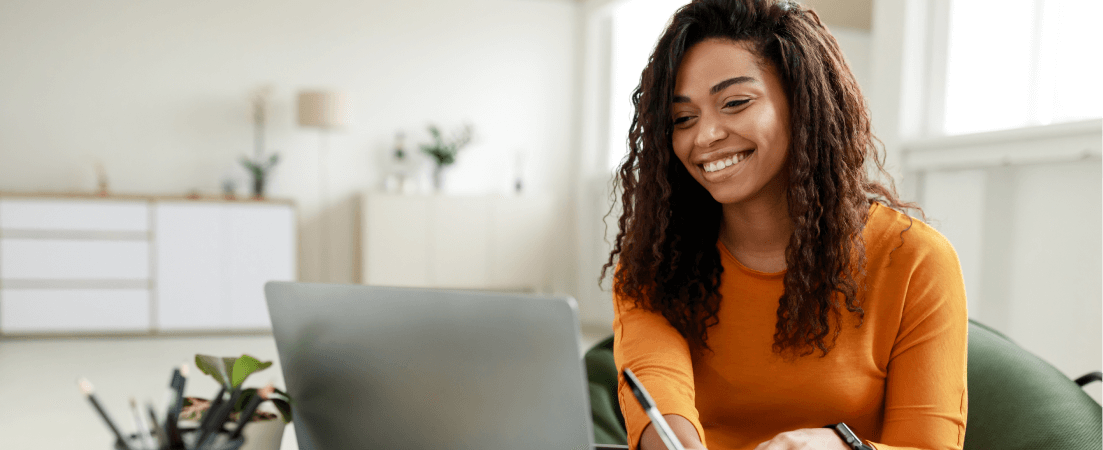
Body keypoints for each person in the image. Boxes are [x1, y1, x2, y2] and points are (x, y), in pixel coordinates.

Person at [602, 1, 968, 450]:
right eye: (683, 119)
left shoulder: (915, 261)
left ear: (803, 102)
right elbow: (660, 395)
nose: (706, 136)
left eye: (735, 103)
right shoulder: (655, 262)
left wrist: (841, 448)